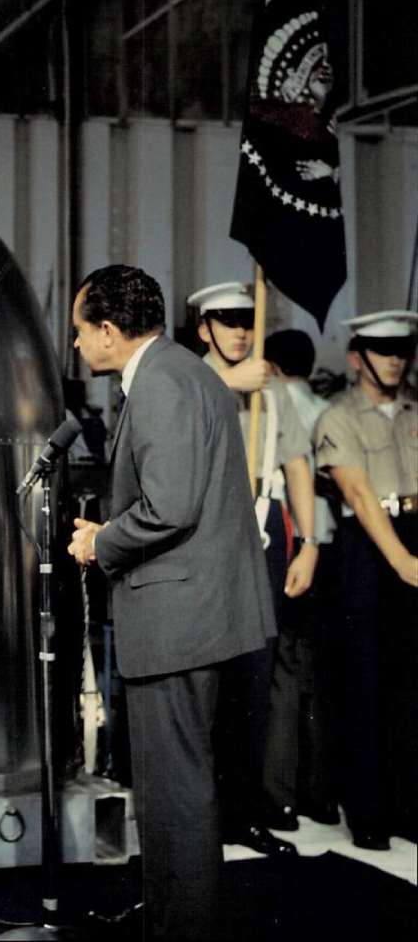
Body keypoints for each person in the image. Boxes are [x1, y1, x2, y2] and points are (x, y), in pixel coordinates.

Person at [67, 265, 275, 942]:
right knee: (173, 789)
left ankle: (182, 927)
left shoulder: (158, 383)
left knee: (175, 794)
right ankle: (171, 914)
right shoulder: (183, 373)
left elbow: (171, 506)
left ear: (106, 329)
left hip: (177, 619)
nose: (75, 345)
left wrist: (101, 541)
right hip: (194, 614)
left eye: (79, 330)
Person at [189, 282, 317, 853]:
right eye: (227, 320)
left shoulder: (272, 390)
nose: (240, 331)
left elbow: (296, 465)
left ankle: (244, 811)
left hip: (262, 534)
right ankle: (197, 816)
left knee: (255, 678)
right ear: (204, 328)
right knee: (204, 680)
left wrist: (309, 542)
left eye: (248, 320)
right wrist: (224, 383)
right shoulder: (187, 378)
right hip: (203, 538)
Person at [314, 310, 418, 850]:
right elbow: (357, 494)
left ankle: (406, 804)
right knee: (364, 684)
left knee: (410, 682)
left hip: (413, 536)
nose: (396, 359)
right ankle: (368, 811)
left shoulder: (413, 413)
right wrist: (402, 561)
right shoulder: (338, 418)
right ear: (357, 358)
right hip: (369, 551)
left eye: (402, 350)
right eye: (383, 350)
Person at [260, 328, 338, 828]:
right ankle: (320, 794)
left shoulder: (275, 399)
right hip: (334, 542)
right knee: (317, 677)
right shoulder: (325, 405)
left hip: (293, 545)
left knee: (283, 675)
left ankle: (280, 796)